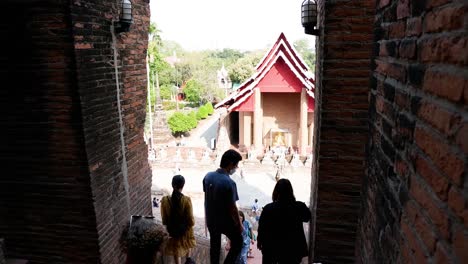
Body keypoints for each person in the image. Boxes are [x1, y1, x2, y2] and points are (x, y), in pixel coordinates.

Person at [203, 149, 243, 264]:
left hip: (211, 220)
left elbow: (206, 198)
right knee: (238, 241)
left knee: (214, 247)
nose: (236, 167)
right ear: (231, 164)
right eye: (236, 164)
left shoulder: (208, 177)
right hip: (224, 221)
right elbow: (232, 207)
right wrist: (239, 225)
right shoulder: (229, 183)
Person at [257, 179, 311, 264]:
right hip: (292, 248)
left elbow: (262, 228)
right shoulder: (299, 207)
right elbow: (307, 217)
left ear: (276, 191)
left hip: (272, 248)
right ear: (291, 191)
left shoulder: (268, 208)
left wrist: (260, 242)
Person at [161, 175, 196, 264]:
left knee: (176, 251)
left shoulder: (165, 200)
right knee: (189, 231)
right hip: (185, 232)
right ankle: (188, 260)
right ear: (183, 186)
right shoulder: (186, 200)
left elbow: (164, 220)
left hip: (173, 232)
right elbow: (191, 221)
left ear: (172, 185)